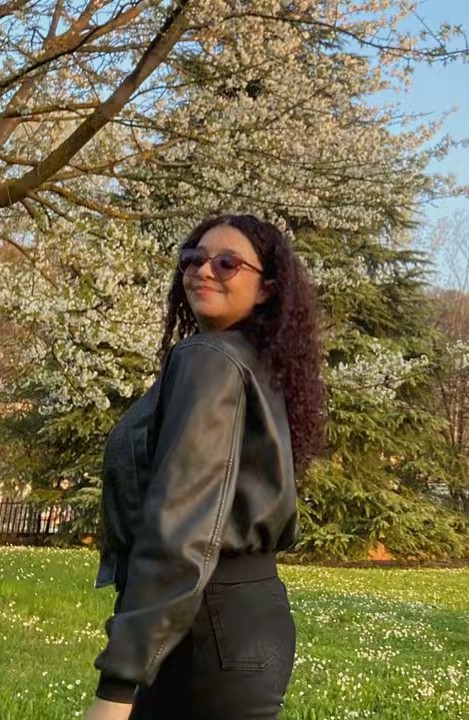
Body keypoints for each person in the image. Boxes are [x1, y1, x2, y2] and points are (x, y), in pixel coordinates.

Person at [83, 214, 326, 720]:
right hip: (246, 623)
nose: (203, 271)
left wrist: (118, 684)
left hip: (203, 630)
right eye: (193, 258)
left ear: (267, 288)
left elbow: (180, 527)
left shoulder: (209, 359)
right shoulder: (255, 364)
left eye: (227, 263)